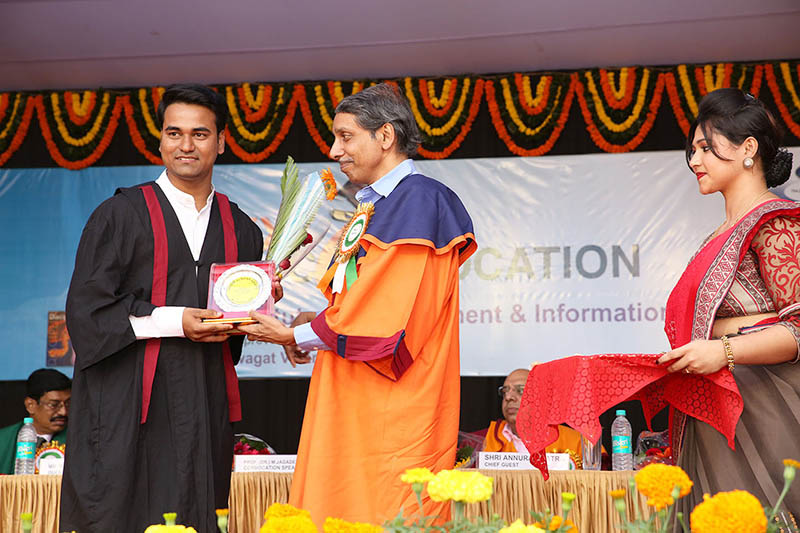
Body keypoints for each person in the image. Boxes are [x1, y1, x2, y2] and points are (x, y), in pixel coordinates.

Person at [239, 83, 476, 526]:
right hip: (354, 393)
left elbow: (385, 314)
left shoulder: (419, 201)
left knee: (382, 512)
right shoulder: (379, 206)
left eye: (345, 136)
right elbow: (366, 297)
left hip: (392, 402)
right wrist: (317, 322)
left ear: (385, 136)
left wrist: (295, 335)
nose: (335, 151)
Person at [61, 84, 264, 533]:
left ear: (221, 141)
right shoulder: (119, 215)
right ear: (160, 141)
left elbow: (236, 330)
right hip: (127, 403)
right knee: (121, 515)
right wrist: (176, 321)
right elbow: (87, 311)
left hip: (203, 404)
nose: (186, 145)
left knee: (197, 512)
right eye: (174, 133)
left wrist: (258, 304)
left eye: (200, 134)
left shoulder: (242, 228)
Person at [655, 88, 799, 518]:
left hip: (766, 414)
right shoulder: (718, 236)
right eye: (693, 150)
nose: (694, 160)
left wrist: (723, 350)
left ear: (748, 149)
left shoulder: (776, 224)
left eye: (705, 148)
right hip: (716, 411)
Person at [480, 368, 584, 468]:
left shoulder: (576, 442)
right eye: (505, 391)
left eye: (520, 390)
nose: (508, 397)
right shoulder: (482, 440)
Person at [0, 369, 71, 474]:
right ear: (31, 405)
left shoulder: (78, 440)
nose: (63, 412)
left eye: (68, 404)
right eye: (53, 405)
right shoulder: (3, 440)